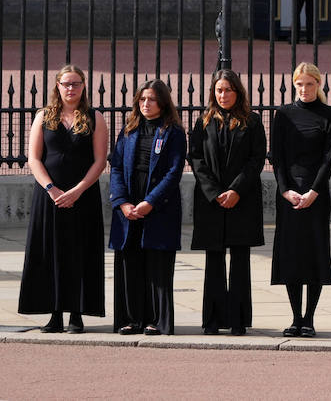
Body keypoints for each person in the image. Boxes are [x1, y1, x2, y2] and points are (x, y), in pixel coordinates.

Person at [18, 65, 108, 333]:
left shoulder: (95, 117)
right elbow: (33, 158)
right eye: (66, 84)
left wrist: (78, 190)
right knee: (51, 252)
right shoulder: (43, 117)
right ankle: (54, 314)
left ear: (84, 87)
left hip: (83, 196)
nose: (71, 89)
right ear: (57, 86)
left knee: (80, 252)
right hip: (50, 197)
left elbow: (100, 160)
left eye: (77, 84)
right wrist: (51, 189)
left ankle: (76, 315)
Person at [189, 69, 267, 336]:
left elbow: (256, 160)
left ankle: (238, 319)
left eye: (228, 90)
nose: (223, 95)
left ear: (238, 92)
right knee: (214, 261)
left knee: (240, 261)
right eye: (219, 90)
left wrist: (235, 191)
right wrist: (214, 192)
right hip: (211, 201)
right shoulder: (203, 122)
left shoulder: (252, 122)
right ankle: (212, 319)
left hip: (242, 200)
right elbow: (196, 159)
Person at [109, 79, 185, 335]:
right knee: (130, 261)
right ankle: (132, 318)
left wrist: (150, 201)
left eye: (151, 99)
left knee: (157, 264)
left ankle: (156, 319)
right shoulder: (129, 130)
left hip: (157, 204)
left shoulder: (173, 132)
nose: (146, 104)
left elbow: (174, 172)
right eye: (142, 99)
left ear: (163, 102)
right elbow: (116, 166)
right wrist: (122, 202)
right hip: (130, 201)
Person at [269, 62, 331, 338]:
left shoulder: (330, 115)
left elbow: (328, 158)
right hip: (289, 194)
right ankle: (295, 317)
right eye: (300, 84)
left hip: (315, 194)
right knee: (291, 256)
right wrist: (286, 190)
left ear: (318, 85)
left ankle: (308, 318)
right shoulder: (284, 114)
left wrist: (313, 192)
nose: (305, 89)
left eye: (310, 84)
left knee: (313, 255)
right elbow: (277, 157)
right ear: (294, 84)